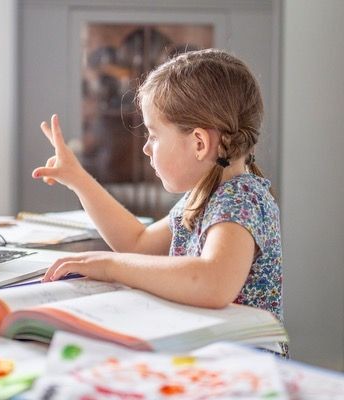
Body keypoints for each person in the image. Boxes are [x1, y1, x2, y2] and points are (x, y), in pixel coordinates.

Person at [33, 49, 286, 354]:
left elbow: (214, 282)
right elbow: (137, 243)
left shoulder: (240, 198)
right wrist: (78, 179)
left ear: (199, 143)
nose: (147, 149)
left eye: (153, 135)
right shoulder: (204, 196)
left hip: (245, 374)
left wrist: (112, 266)